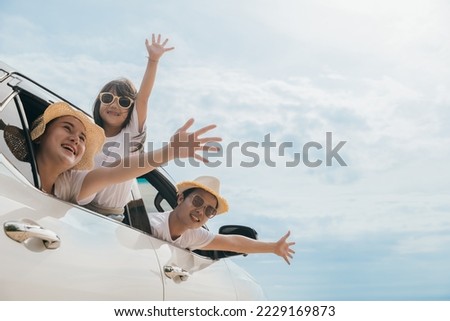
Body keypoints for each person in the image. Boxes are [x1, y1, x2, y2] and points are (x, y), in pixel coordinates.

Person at [31, 102, 220, 206]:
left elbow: (116, 172)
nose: (75, 139)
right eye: (67, 128)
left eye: (82, 138)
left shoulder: (71, 184)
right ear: (40, 135)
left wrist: (170, 151)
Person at [89, 33, 174, 218]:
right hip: (75, 206)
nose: (114, 104)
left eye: (124, 102)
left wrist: (153, 60)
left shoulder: (131, 135)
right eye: (108, 98)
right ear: (99, 102)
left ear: (131, 110)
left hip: (109, 216)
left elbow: (142, 98)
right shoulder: (85, 135)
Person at [149, 176, 296, 265]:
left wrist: (273, 247)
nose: (200, 211)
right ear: (180, 198)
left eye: (209, 211)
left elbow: (234, 243)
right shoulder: (152, 226)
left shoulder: (193, 235)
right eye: (198, 201)